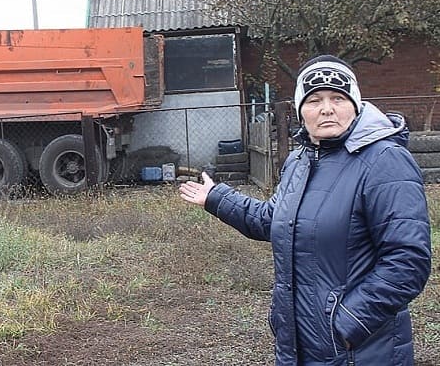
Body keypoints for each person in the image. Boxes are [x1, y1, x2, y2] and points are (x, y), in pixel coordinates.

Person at [179, 55, 431, 366]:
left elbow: (407, 261)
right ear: (301, 110)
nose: (327, 108)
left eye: (338, 98)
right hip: (298, 343)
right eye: (314, 100)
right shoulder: (299, 161)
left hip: (359, 351)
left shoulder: (385, 161)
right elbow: (276, 220)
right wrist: (218, 198)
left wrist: (347, 324)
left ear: (355, 104)